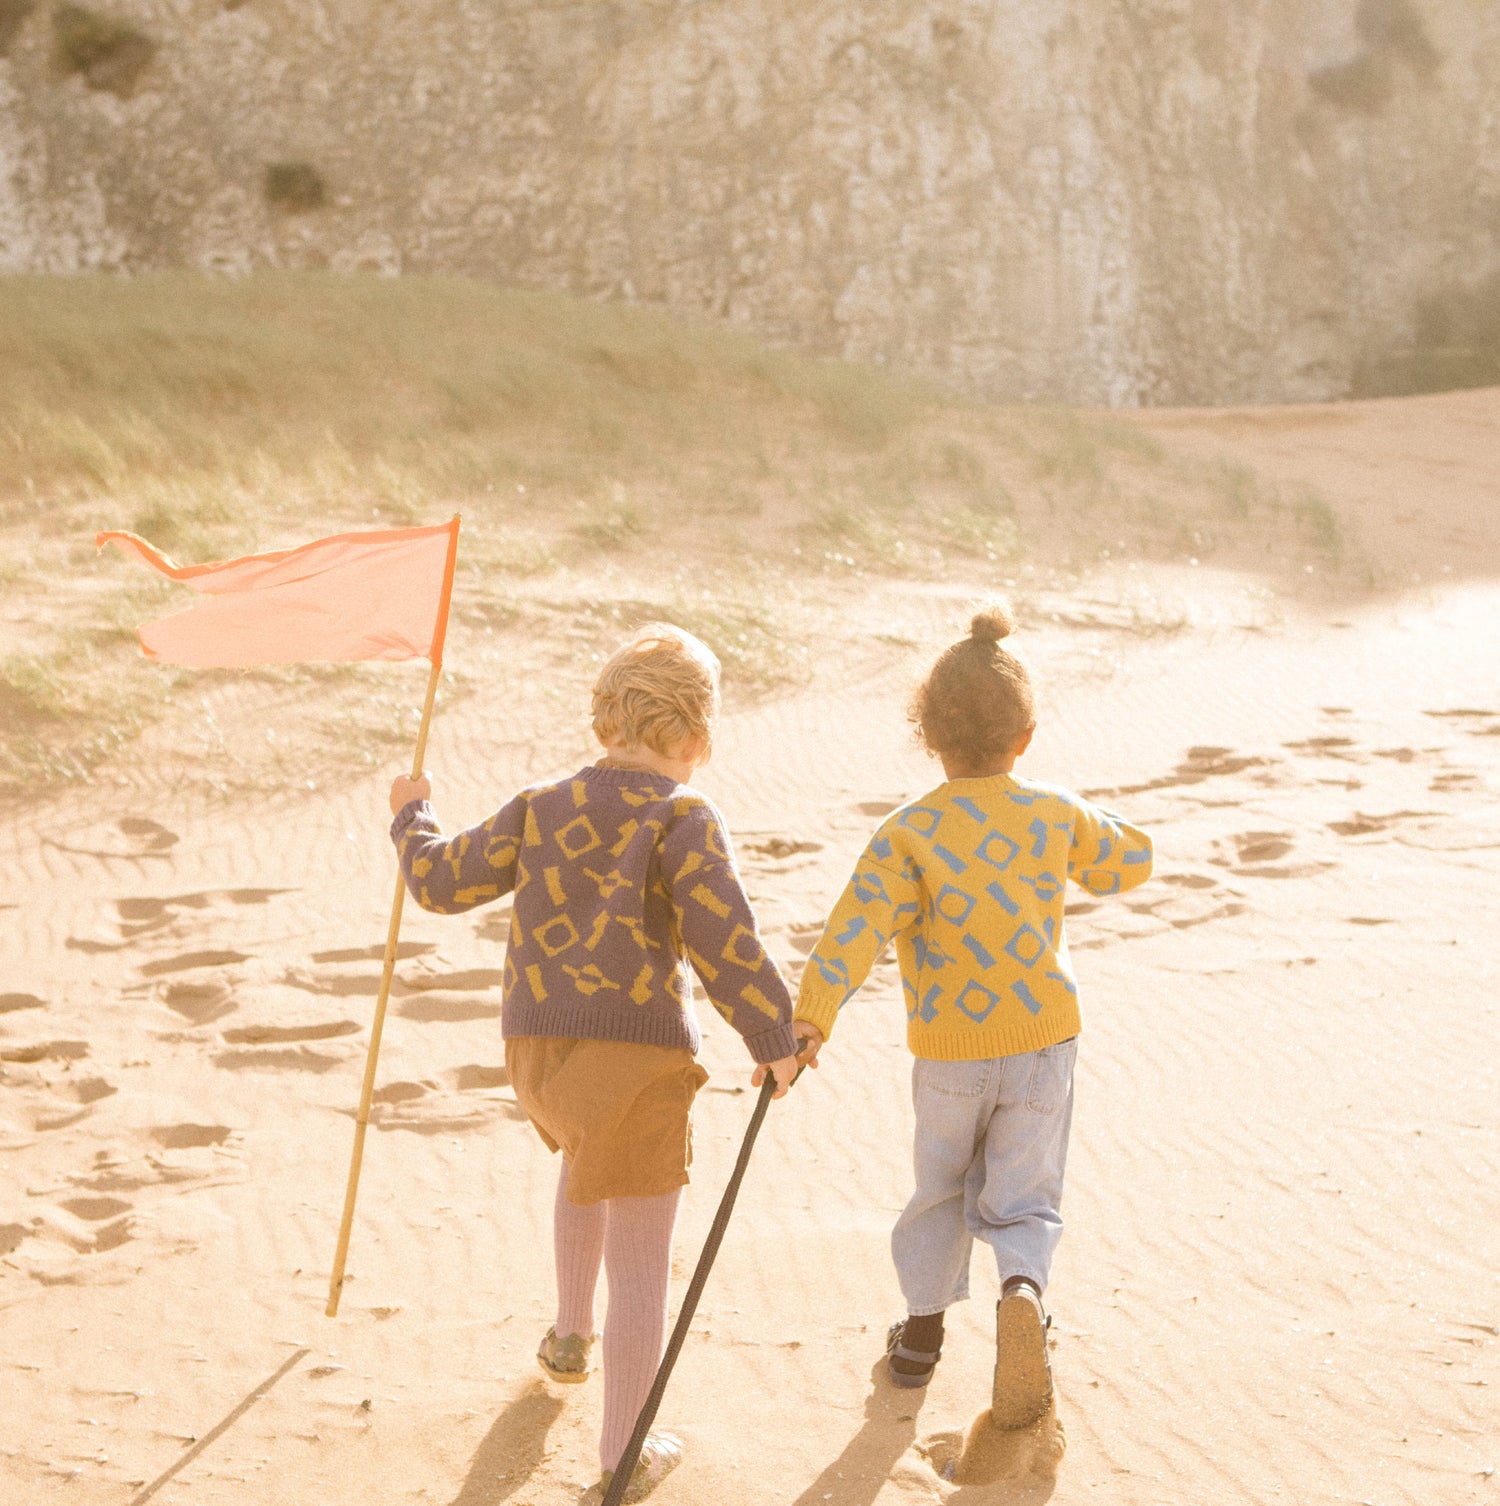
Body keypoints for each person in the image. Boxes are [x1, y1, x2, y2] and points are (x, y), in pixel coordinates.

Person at [387, 624, 800, 1502]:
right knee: (644, 1257)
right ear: (695, 738)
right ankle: (622, 1454)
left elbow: (439, 882)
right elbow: (725, 941)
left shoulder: (541, 801)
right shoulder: (683, 815)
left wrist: (411, 815)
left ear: (603, 721)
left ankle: (569, 1336)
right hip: (636, 1056)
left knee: (584, 1164)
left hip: (536, 1053)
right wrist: (776, 1039)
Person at [791, 603, 1152, 1428]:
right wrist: (1072, 817)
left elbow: (853, 933)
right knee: (1025, 1195)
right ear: (1026, 734)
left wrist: (812, 1021)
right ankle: (1023, 1292)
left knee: (941, 1190)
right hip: (1041, 1045)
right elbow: (1130, 861)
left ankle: (920, 1340)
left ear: (930, 738)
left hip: (950, 1055)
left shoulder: (907, 832)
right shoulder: (1052, 811)